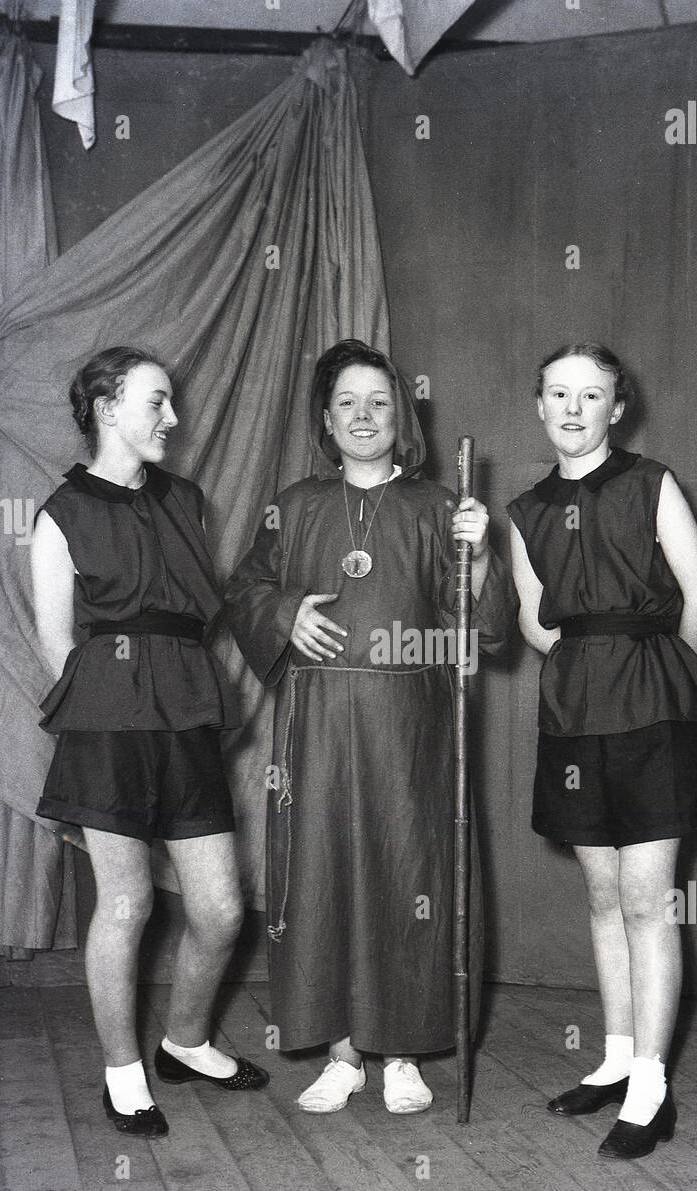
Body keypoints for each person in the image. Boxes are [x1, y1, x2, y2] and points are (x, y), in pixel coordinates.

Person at [223, 339, 515, 1115]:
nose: (363, 416)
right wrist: (286, 617)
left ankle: (404, 1053)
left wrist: (479, 554)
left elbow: (482, 628)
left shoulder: (434, 508)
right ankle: (344, 1052)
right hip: (315, 725)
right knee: (321, 872)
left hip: (409, 724)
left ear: (402, 416)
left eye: (379, 403)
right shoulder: (297, 501)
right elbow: (244, 586)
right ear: (325, 417)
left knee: (409, 873)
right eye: (347, 402)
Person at [31, 346, 268, 1138]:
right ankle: (123, 1072)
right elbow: (57, 645)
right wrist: (113, 702)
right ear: (106, 408)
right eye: (157, 403)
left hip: (187, 711)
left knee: (222, 908)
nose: (173, 419)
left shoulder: (187, 499)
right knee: (127, 901)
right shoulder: (60, 514)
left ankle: (186, 1042)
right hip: (107, 720)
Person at [507, 343, 697, 1159]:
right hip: (575, 713)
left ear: (615, 407)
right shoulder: (524, 510)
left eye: (589, 395)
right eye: (557, 393)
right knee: (603, 899)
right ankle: (617, 1058)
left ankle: (652, 1089)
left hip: (654, 709)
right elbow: (535, 621)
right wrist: (585, 668)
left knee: (646, 900)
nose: (572, 408)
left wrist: (666, 683)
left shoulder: (651, 482)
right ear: (539, 405)